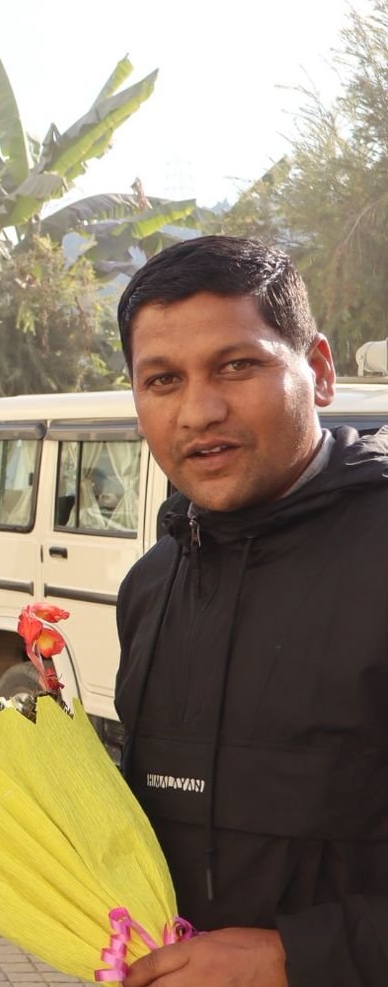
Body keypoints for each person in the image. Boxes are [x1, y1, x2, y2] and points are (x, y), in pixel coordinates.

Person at [112, 235, 388, 987]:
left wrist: (295, 958)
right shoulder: (151, 586)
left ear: (320, 371)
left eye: (237, 366)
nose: (199, 411)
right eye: (163, 380)